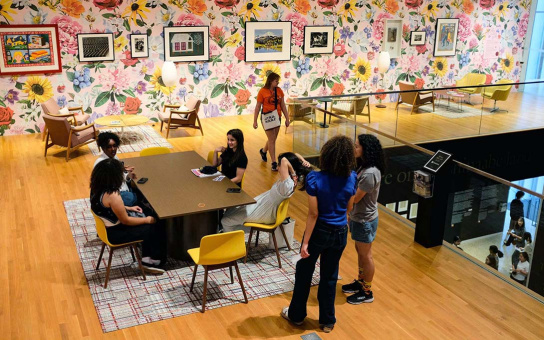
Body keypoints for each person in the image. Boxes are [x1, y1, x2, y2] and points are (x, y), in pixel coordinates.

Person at [281, 135, 357, 333]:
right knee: (329, 276)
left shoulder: (315, 179)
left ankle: (296, 316)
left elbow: (313, 214)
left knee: (304, 272)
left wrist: (305, 242)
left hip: (319, 232)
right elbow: (349, 207)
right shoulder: (352, 177)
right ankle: (327, 320)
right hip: (340, 232)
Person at [90, 158, 167, 275]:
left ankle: (147, 256)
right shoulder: (113, 195)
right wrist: (147, 220)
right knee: (156, 224)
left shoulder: (97, 189)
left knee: (147, 217)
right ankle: (151, 262)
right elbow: (126, 220)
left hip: (106, 230)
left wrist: (128, 208)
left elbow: (108, 207)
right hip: (116, 234)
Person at [342, 134, 385, 305]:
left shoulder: (370, 173)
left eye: (357, 146)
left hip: (365, 220)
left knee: (366, 255)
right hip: (358, 218)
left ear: (366, 150)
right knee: (361, 253)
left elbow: (355, 198)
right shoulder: (363, 167)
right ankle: (361, 282)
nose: (354, 148)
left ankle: (367, 291)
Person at [221, 152, 311, 232]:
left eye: (278, 165)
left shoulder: (287, 184)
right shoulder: (289, 181)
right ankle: (239, 233)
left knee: (225, 221)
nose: (278, 167)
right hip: (263, 207)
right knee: (230, 212)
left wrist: (293, 172)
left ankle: (234, 241)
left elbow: (284, 160)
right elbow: (294, 154)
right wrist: (303, 161)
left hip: (265, 213)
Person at [253, 72, 290, 171]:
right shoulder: (262, 91)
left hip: (277, 117)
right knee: (272, 139)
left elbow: (283, 105)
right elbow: (257, 107)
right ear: (270, 81)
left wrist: (287, 118)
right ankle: (274, 162)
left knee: (272, 139)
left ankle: (263, 151)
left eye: (278, 81)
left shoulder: (279, 91)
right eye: (276, 81)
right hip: (267, 117)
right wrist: (255, 121)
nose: (277, 82)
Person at [94, 132, 138, 206]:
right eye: (109, 147)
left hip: (123, 188)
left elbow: (119, 176)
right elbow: (108, 186)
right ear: (103, 148)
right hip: (115, 194)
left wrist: (128, 176)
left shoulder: (114, 157)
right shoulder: (102, 164)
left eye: (115, 146)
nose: (113, 149)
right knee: (137, 197)